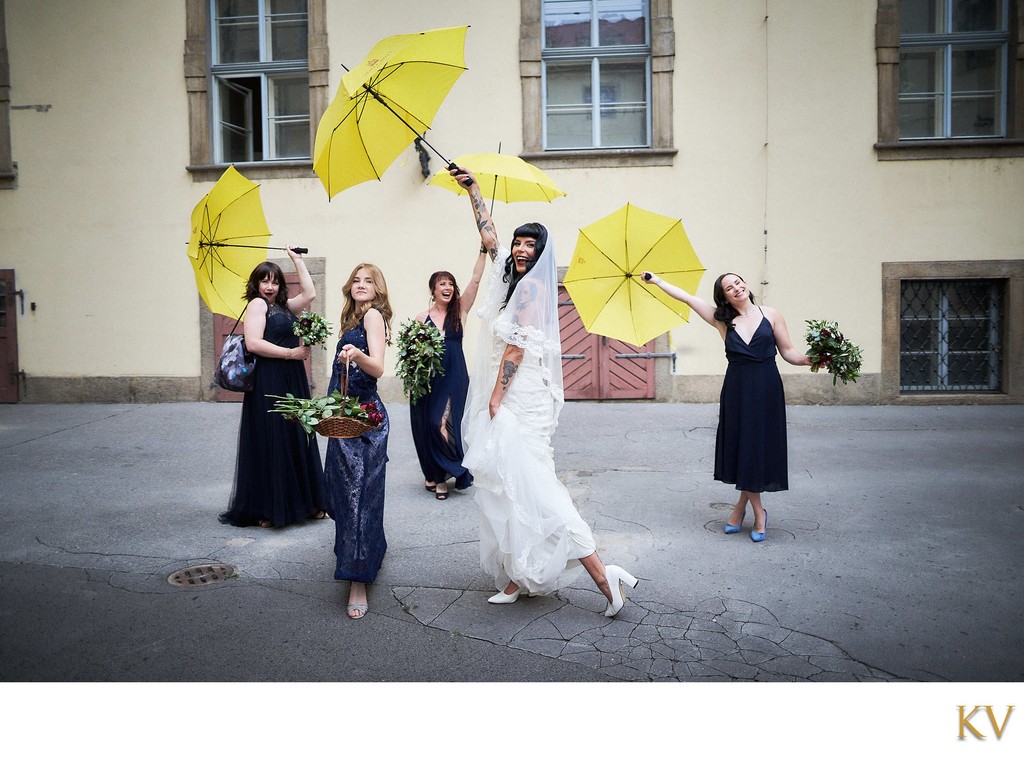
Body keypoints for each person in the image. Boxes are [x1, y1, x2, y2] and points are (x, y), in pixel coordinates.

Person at [451, 165, 638, 617]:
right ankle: (517, 577)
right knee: (508, 482)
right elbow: (488, 233)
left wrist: (496, 397)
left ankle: (602, 575)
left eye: (528, 244)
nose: (518, 249)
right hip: (504, 389)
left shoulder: (532, 292)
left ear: (540, 253)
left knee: (534, 485)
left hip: (517, 394)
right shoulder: (509, 278)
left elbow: (514, 352)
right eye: (518, 242)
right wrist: (473, 189)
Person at [642, 270, 811, 541]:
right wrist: (657, 281)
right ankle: (758, 512)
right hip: (737, 390)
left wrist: (806, 359)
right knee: (745, 447)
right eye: (729, 288)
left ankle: (743, 511)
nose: (736, 288)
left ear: (746, 285)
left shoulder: (771, 314)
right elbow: (687, 298)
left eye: (738, 282)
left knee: (757, 448)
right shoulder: (723, 321)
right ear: (724, 297)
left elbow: (788, 351)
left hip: (767, 388)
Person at [220, 247, 327, 528]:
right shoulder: (257, 305)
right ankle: (269, 508)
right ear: (256, 284)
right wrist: (291, 354)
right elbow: (254, 343)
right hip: (271, 379)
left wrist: (298, 261)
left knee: (294, 437)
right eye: (264, 281)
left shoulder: (282, 307)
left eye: (275, 281)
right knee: (274, 439)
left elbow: (310, 294)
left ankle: (302, 503)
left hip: (291, 378)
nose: (269, 286)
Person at [324, 263, 392, 619]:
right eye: (356, 280)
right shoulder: (351, 320)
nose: (361, 284)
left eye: (369, 281)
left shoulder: (374, 318)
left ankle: (357, 581)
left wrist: (357, 355)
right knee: (345, 493)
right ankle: (365, 552)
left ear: (378, 289)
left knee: (359, 498)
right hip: (343, 418)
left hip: (366, 421)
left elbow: (378, 368)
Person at [409, 255, 487, 500]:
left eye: (451, 284)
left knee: (444, 423)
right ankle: (436, 473)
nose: (448, 287)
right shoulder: (421, 319)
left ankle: (443, 475)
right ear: (433, 289)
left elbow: (475, 280)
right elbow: (413, 352)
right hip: (430, 379)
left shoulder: (460, 311)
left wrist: (482, 251)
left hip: (454, 375)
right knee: (429, 425)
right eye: (442, 284)